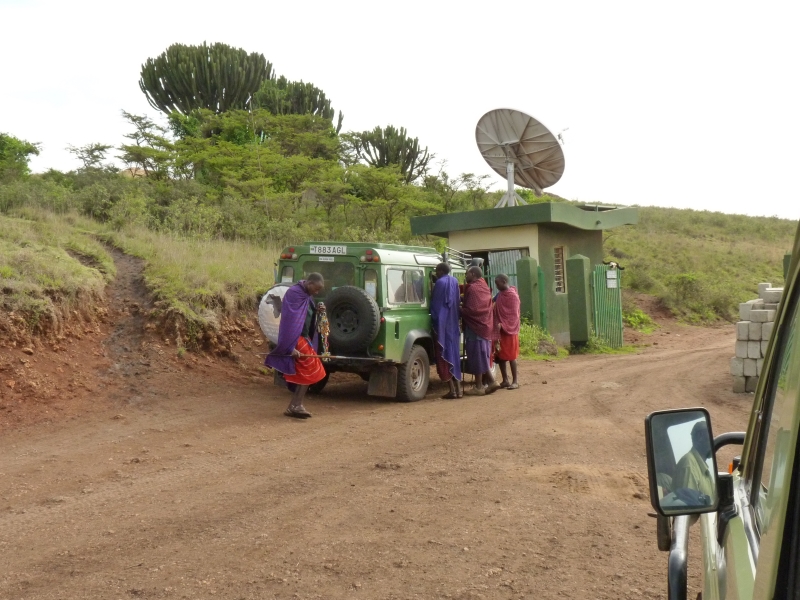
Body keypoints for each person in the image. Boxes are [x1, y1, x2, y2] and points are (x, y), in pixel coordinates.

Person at [264, 273, 326, 418]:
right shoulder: (294, 293)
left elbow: (306, 315)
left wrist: (318, 311)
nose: (316, 292)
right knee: (311, 368)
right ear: (309, 283)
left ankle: (295, 405)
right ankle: (295, 405)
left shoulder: (306, 295)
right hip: (295, 338)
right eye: (316, 289)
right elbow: (289, 321)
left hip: (304, 337)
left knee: (310, 370)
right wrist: (290, 347)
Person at [461, 265, 500, 396]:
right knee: (481, 355)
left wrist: (460, 309)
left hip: (475, 327)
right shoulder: (484, 286)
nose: (466, 276)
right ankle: (481, 385)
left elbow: (473, 310)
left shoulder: (472, 288)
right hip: (485, 326)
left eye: (467, 274)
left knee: (477, 356)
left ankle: (488, 383)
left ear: (473, 274)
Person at [430, 262, 462, 399]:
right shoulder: (454, 281)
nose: (436, 273)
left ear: (441, 271)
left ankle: (452, 390)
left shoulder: (439, 283)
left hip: (442, 324)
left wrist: (433, 320)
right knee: (454, 354)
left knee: (443, 355)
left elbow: (436, 305)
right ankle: (459, 390)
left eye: (437, 271)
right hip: (453, 323)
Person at [673, 421, 715, 499]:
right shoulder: (689, 465)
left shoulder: (701, 467)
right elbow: (688, 504)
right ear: (700, 436)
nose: (713, 441)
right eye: (711, 436)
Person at [493, 274, 521, 390]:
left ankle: (515, 381)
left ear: (504, 281)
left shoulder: (513, 296)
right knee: (500, 356)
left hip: (510, 331)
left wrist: (503, 324)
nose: (496, 285)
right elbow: (491, 302)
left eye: (497, 283)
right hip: (500, 331)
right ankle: (505, 380)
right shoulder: (499, 294)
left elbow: (514, 315)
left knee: (511, 356)